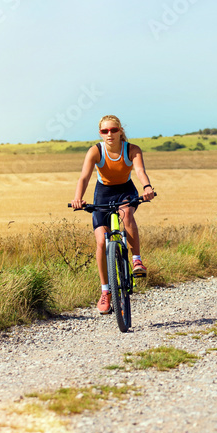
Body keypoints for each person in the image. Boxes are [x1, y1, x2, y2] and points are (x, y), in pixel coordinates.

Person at [70, 115, 155, 314]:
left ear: (120, 131)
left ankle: (136, 260)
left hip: (126, 191)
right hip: (103, 193)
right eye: (104, 131)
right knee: (101, 241)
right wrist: (77, 198)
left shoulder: (132, 150)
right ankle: (105, 291)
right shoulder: (95, 151)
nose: (109, 134)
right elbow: (84, 177)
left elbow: (140, 170)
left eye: (113, 130)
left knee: (127, 214)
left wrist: (147, 186)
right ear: (100, 133)